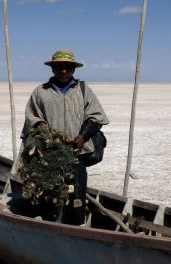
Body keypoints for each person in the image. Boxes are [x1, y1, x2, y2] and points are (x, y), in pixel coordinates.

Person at [22, 49, 109, 225]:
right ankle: (48, 225)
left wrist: (83, 136)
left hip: (78, 155)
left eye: (68, 68)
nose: (63, 71)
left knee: (77, 195)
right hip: (49, 157)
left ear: (73, 70)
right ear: (52, 69)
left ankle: (77, 227)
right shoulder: (40, 92)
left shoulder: (83, 90)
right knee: (48, 193)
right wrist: (41, 125)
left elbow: (97, 116)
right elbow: (31, 117)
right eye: (59, 67)